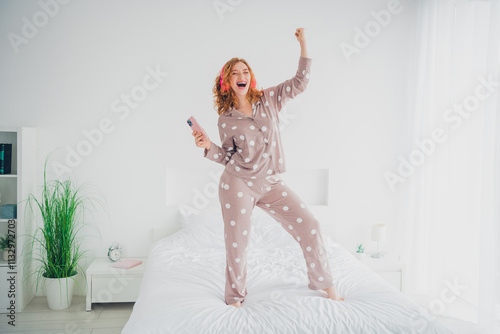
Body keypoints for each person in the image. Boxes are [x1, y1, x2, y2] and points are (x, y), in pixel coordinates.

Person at [192, 28, 344, 308]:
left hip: (271, 182)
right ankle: (235, 298)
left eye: (245, 71)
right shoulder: (226, 119)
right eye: (235, 73)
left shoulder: (269, 99)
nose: (242, 76)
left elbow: (300, 82)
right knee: (237, 244)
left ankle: (326, 285)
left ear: (251, 77)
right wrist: (207, 146)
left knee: (310, 225)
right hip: (237, 183)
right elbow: (227, 156)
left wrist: (304, 44)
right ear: (227, 81)